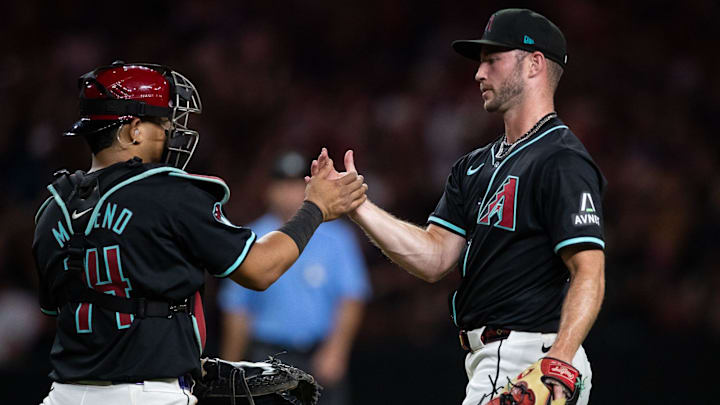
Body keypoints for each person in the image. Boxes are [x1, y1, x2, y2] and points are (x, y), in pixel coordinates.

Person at [314, 9, 605, 405]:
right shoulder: (472, 166)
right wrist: (357, 205)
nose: (478, 73)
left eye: (492, 59)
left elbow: (589, 270)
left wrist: (562, 358)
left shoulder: (560, 157)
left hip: (535, 358)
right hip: (490, 360)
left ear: (534, 63)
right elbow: (435, 257)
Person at [32, 61, 367, 405]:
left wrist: (184, 358)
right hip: (149, 395)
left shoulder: (53, 207)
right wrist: (315, 208)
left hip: (63, 395)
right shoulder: (169, 193)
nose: (171, 131)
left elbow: (73, 314)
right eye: (163, 122)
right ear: (133, 129)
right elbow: (260, 268)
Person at [218, 151, 371, 405]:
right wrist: (233, 367)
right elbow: (237, 310)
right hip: (268, 357)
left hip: (319, 354)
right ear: (269, 190)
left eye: (295, 185)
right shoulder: (250, 237)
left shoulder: (336, 238)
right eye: (282, 185)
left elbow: (351, 297)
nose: (289, 193)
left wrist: (337, 350)